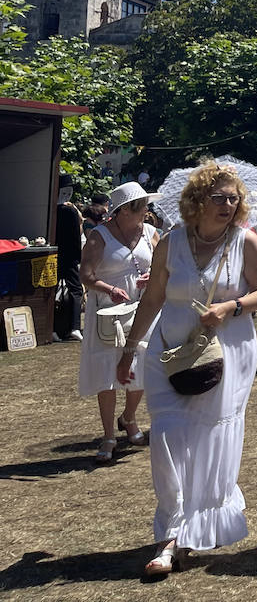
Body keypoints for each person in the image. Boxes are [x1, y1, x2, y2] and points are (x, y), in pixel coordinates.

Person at [117, 161, 257, 576]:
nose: (228, 204)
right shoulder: (170, 242)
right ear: (197, 201)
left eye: (233, 197)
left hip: (226, 354)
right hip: (168, 353)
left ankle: (194, 530)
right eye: (218, 197)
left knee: (207, 441)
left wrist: (231, 306)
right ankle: (169, 534)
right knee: (167, 438)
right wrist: (130, 349)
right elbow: (152, 299)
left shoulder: (245, 242)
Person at [79, 181, 161, 461]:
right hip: (109, 312)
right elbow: (86, 275)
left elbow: (164, 266)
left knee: (140, 365)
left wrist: (154, 277)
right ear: (125, 210)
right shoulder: (98, 236)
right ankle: (108, 436)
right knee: (107, 372)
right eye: (142, 207)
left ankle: (129, 418)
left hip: (143, 307)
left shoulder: (151, 232)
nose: (146, 212)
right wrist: (109, 289)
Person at [53, 173, 85, 342]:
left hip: (53, 254)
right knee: (76, 290)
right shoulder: (70, 210)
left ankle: (53, 328)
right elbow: (75, 236)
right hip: (69, 256)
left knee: (52, 288)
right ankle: (74, 327)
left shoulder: (52, 209)